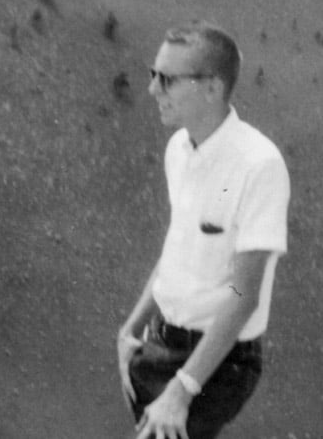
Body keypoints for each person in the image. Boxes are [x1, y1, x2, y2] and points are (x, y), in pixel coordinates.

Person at [116, 22, 291, 439]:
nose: (153, 90)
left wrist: (183, 389)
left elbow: (243, 294)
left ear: (212, 87)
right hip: (158, 346)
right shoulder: (178, 149)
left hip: (218, 363)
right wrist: (130, 330)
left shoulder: (257, 165)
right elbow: (177, 249)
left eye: (167, 79)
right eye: (152, 74)